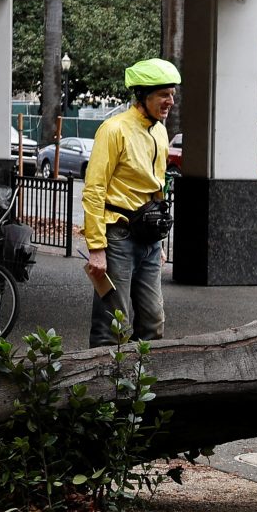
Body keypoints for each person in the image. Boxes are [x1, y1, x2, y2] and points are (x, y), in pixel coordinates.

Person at [84, 58, 178, 347]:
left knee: (153, 321)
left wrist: (159, 240)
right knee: (113, 324)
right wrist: (96, 248)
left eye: (172, 94)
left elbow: (158, 187)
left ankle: (137, 385)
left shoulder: (160, 131)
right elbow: (94, 189)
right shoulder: (114, 130)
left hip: (148, 238)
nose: (170, 101)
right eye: (164, 94)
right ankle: (104, 387)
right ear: (143, 95)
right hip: (118, 235)